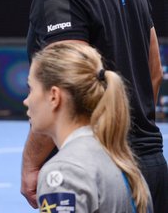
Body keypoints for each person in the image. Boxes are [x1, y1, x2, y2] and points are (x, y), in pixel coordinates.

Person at [20, 0, 166, 213]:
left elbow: (66, 84)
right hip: (151, 165)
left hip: (99, 170)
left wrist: (30, 164)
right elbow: (154, 71)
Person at [25, 42, 151, 212]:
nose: (27, 101)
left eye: (31, 89)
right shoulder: (123, 162)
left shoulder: (64, 172)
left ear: (54, 96)